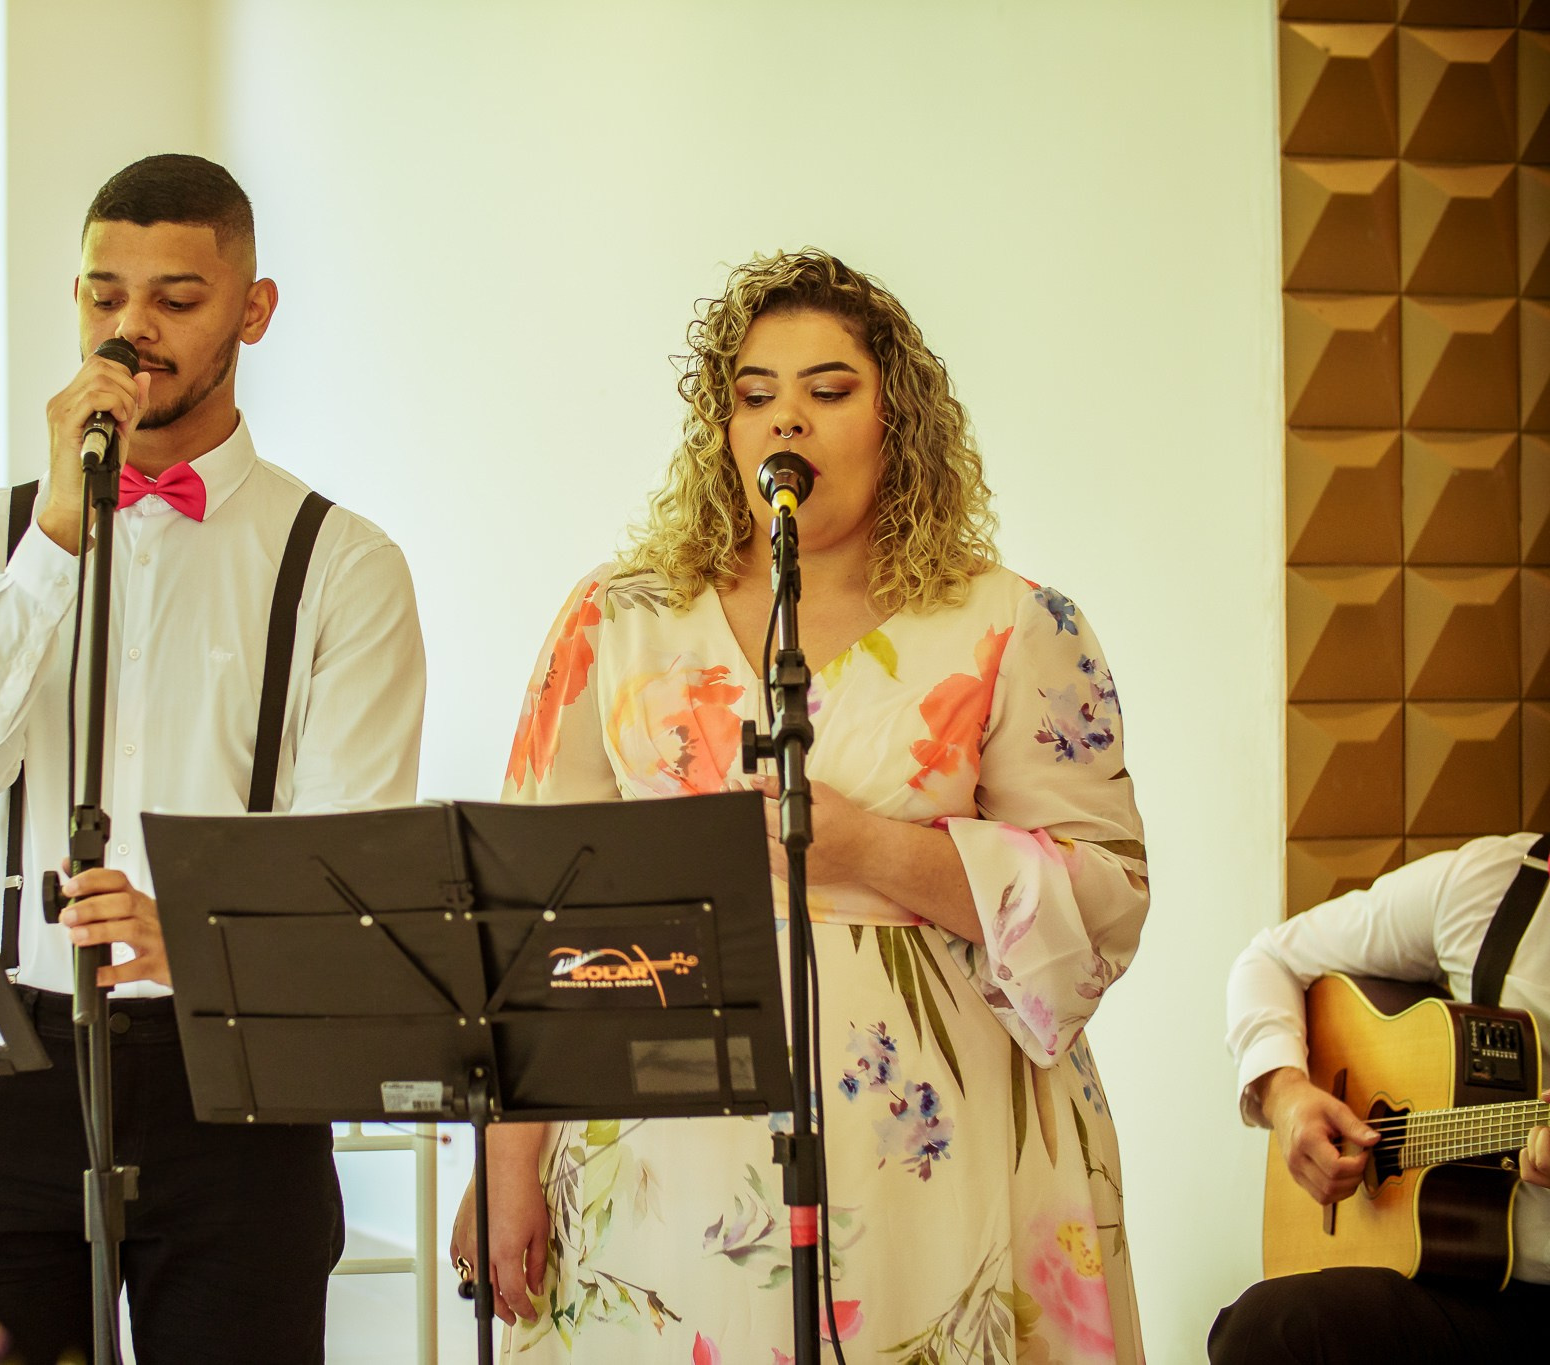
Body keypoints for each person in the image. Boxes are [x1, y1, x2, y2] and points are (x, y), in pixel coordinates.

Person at [451, 249, 1149, 1363]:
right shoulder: (615, 619)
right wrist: (504, 1167)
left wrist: (869, 847)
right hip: (655, 1156)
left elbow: (1104, 899)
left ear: (895, 422)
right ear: (719, 430)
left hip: (934, 1157)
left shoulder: (1014, 624)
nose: (787, 422)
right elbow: (528, 916)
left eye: (829, 391)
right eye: (753, 395)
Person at [0, 154, 425, 1365]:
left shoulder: (340, 563)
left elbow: (353, 859)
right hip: (9, 1057)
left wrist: (204, 934)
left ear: (253, 309)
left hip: (233, 1074)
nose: (129, 329)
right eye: (101, 295)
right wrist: (54, 546)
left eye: (175, 299)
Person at [1212, 834, 1550, 1361]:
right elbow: (1270, 959)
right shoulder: (1501, 885)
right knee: (1263, 1330)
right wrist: (1287, 1094)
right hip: (1454, 1284)